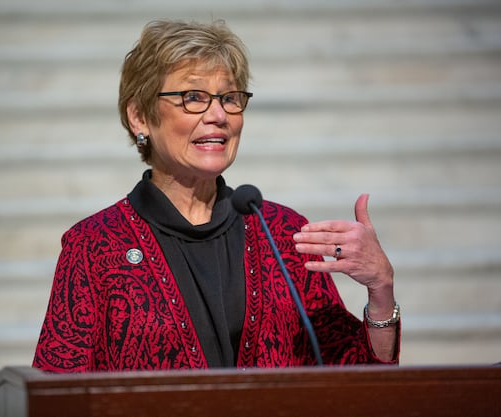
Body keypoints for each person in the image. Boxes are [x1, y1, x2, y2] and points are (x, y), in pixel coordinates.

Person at [32, 19, 400, 372]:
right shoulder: (94, 246)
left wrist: (381, 289)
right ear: (140, 116)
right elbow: (56, 388)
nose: (218, 115)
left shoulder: (284, 234)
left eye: (230, 98)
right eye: (193, 97)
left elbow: (354, 380)